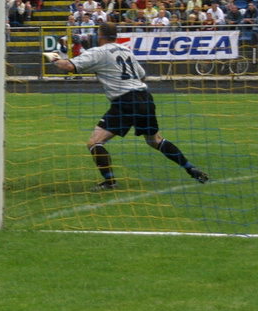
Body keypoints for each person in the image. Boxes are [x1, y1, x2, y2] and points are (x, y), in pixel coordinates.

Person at [45, 22, 209, 191]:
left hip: (125, 101)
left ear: (100, 35)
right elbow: (142, 75)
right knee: (155, 140)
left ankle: (110, 182)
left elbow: (69, 66)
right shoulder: (126, 50)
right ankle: (191, 168)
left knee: (95, 142)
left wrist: (53, 58)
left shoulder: (98, 52)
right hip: (145, 98)